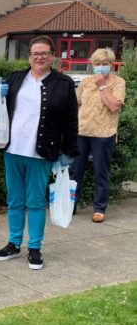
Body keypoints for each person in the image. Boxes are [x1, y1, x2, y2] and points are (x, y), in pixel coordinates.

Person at [0, 35, 79, 270]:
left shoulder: (63, 83)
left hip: (41, 152)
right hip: (13, 149)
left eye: (44, 53)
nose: (39, 57)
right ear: (29, 56)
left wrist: (70, 151)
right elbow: (1, 110)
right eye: (35, 54)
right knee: (14, 201)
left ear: (52, 55)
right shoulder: (16, 78)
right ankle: (13, 243)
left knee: (36, 202)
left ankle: (35, 248)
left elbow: (71, 120)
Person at [70, 48, 125, 223]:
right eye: (97, 64)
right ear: (92, 65)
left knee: (100, 172)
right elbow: (77, 104)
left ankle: (99, 208)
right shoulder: (86, 82)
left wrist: (102, 86)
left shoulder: (118, 82)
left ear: (111, 65)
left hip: (104, 133)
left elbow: (114, 106)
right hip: (82, 131)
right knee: (75, 171)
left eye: (104, 64)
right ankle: (70, 204)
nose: (101, 67)